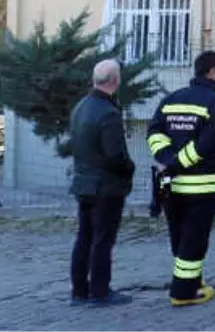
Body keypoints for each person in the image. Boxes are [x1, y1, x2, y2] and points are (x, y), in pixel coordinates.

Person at [147, 50, 215, 307]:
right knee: (195, 239)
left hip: (171, 187)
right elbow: (206, 144)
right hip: (202, 186)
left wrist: (167, 158)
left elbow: (154, 132)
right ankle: (183, 292)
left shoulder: (170, 100)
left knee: (180, 236)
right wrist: (179, 162)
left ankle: (193, 281)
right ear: (213, 72)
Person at [68, 60, 136, 306]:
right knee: (102, 239)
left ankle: (79, 289)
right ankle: (100, 290)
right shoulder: (109, 113)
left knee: (84, 236)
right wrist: (130, 169)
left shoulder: (81, 107)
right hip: (105, 187)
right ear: (116, 81)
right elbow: (115, 155)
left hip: (83, 182)